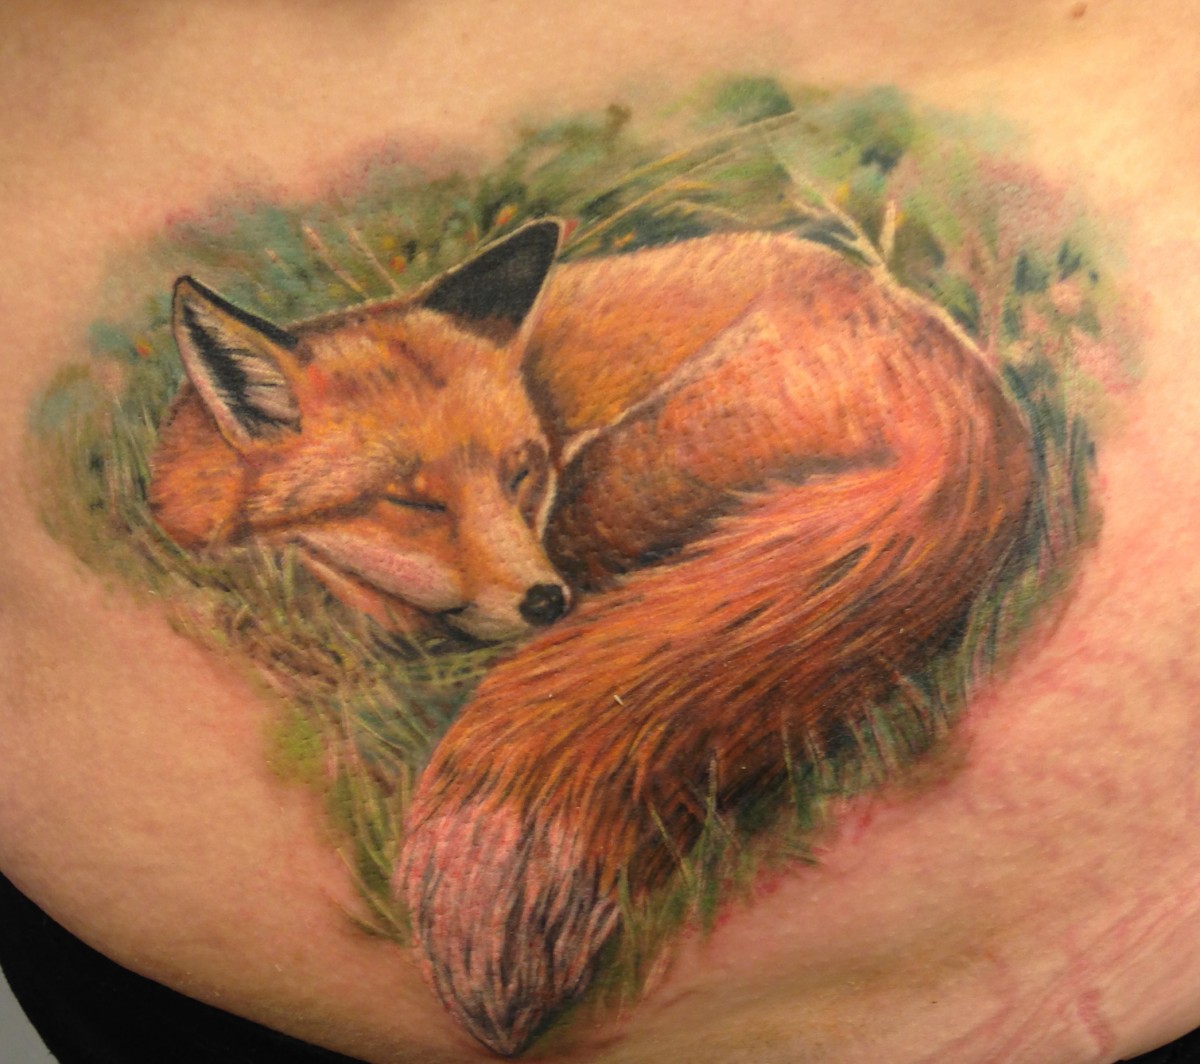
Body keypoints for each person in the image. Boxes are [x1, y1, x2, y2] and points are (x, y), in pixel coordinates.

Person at [3, 2, 1200, 1061]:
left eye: (522, 481)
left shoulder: (480, 387)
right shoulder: (260, 442)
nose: (527, 566)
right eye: (419, 506)